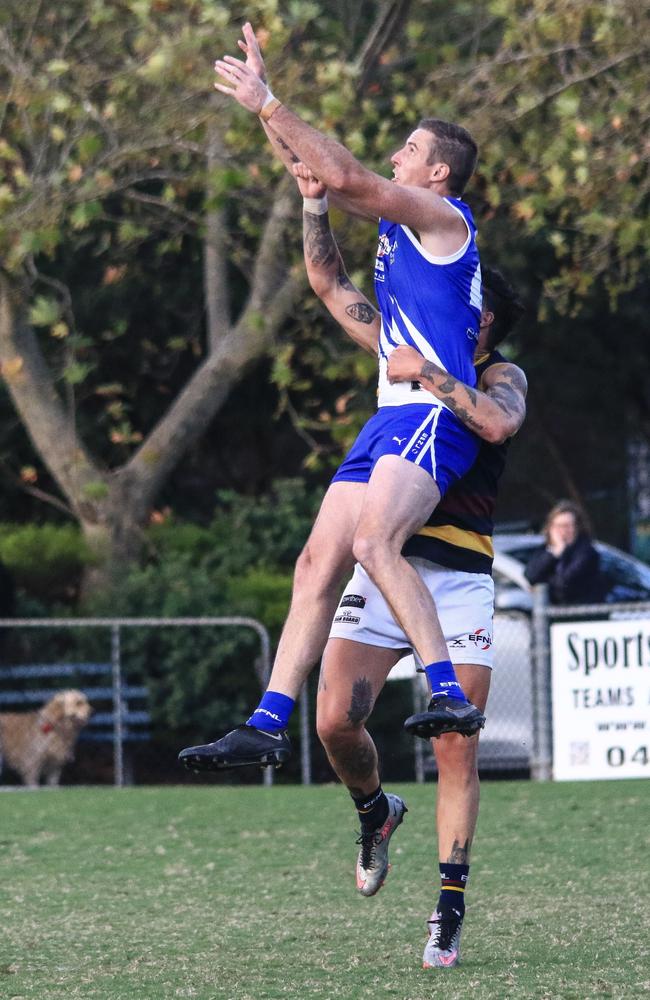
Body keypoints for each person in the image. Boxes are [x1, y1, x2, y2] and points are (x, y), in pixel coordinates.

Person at [179, 22, 487, 773]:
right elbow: (328, 281)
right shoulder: (404, 250)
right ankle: (266, 721)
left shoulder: (445, 222)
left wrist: (268, 102)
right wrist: (312, 203)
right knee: (318, 558)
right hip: (390, 417)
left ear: (439, 172)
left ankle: (446, 690)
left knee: (373, 542)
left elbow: (351, 176)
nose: (395, 157)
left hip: (433, 417)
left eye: (409, 150)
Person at [290, 166, 527, 967]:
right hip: (384, 570)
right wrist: (314, 198)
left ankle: (449, 906)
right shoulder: (403, 332)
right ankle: (372, 811)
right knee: (331, 721)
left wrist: (428, 375)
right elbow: (331, 286)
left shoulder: (499, 373)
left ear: (486, 315)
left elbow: (494, 425)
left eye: (480, 301)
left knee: (456, 745)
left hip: (455, 579)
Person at [524, 500, 601, 603]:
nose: (563, 531)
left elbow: (565, 584)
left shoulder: (586, 552)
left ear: (578, 527)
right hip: (552, 614)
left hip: (582, 613)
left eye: (568, 526)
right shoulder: (547, 550)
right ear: (550, 528)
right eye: (558, 526)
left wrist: (542, 584)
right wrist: (556, 553)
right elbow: (530, 575)